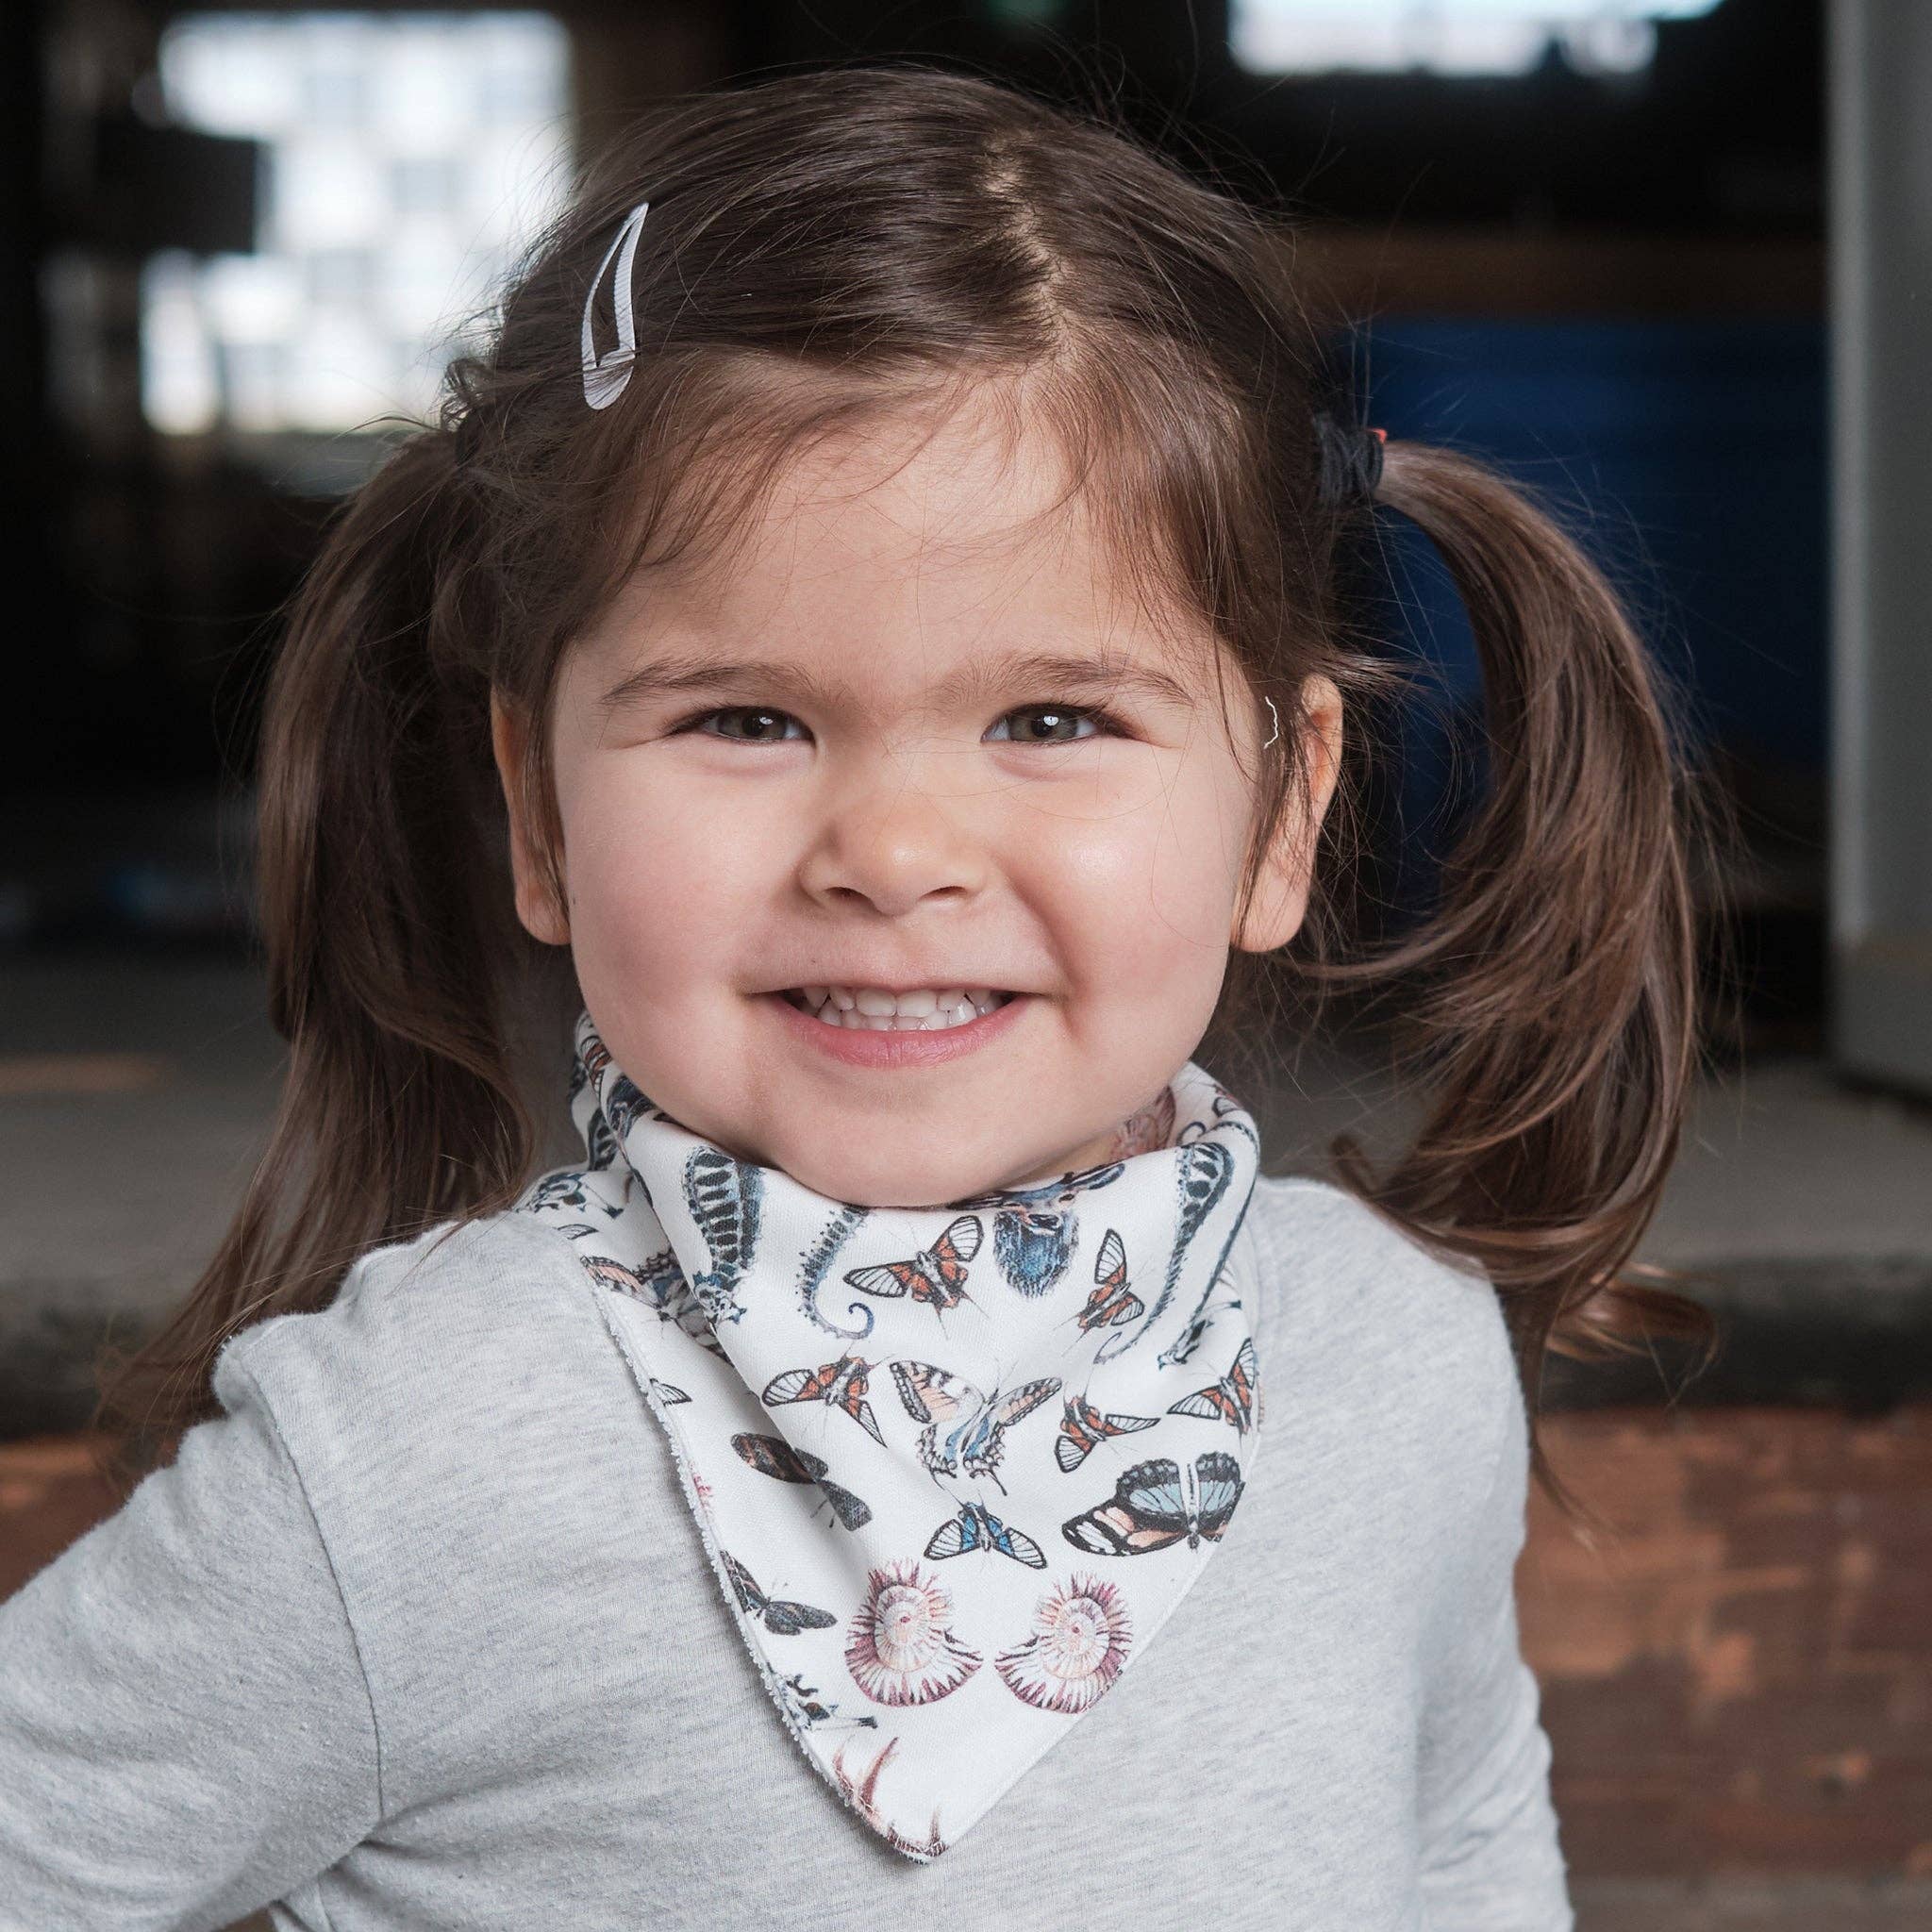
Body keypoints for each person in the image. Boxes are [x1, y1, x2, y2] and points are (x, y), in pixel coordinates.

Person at [0, 63, 1722, 1931]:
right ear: (539, 813)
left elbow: (1465, 1863)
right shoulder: (413, 1449)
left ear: (1282, 813)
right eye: (747, 719)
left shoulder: (1397, 1355)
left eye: (1052, 718)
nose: (894, 853)